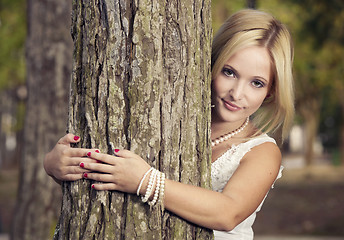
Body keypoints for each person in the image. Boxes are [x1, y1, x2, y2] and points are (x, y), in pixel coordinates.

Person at [44, 9, 294, 240]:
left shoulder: (263, 151)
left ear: (270, 92)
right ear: (212, 64)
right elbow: (109, 175)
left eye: (257, 83)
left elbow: (228, 213)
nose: (237, 93)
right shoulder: (171, 117)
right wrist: (56, 165)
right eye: (229, 72)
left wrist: (145, 180)